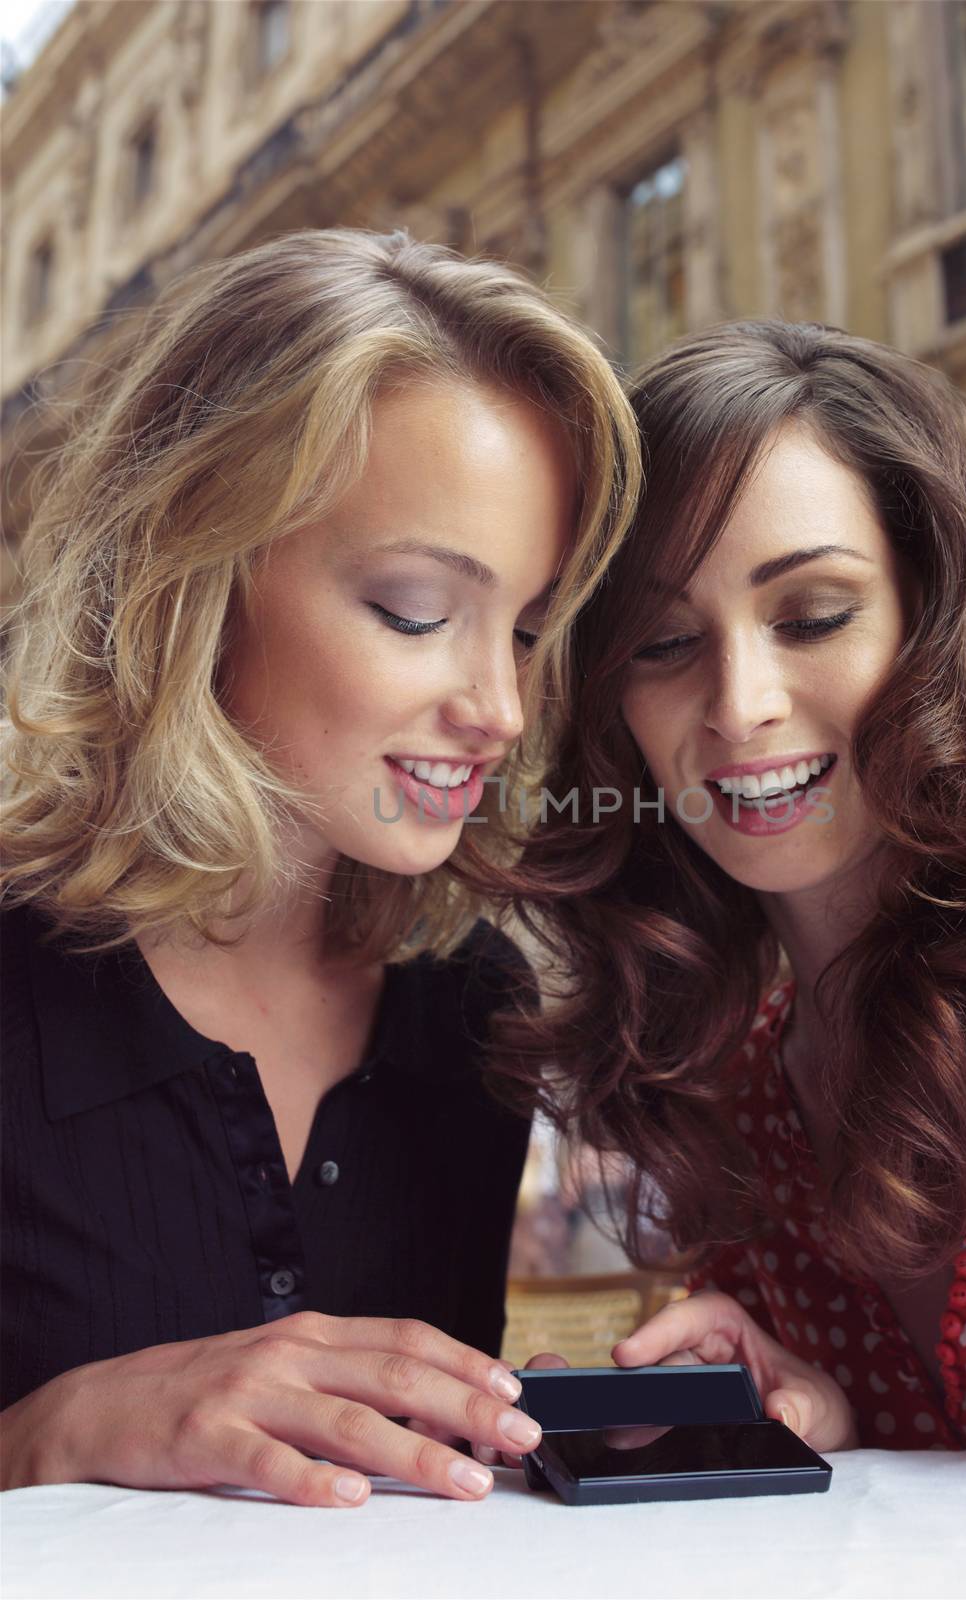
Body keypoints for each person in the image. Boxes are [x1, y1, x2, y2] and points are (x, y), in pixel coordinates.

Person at [483, 320, 966, 1466]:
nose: (740, 702)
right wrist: (818, 1404)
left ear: (935, 623)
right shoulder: (756, 1080)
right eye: (664, 642)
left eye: (814, 615)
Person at [0, 227, 640, 1506]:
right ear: (196, 567)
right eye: (415, 609)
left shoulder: (476, 1003)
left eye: (523, 630)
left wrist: (616, 1413)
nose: (501, 709)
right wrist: (46, 1435)